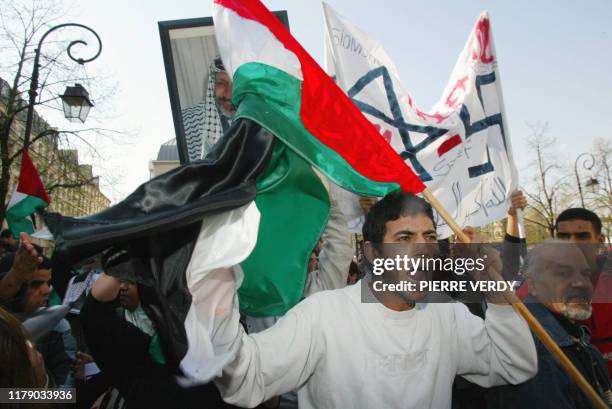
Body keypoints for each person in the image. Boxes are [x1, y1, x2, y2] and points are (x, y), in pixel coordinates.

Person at [211, 191, 537, 409]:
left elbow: (512, 364)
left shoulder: (446, 314)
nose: (421, 249)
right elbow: (246, 378)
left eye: (429, 237)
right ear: (372, 252)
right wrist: (214, 292)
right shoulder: (324, 314)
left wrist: (497, 294)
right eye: (404, 238)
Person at [485, 240, 612, 408]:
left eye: (586, 274)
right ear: (533, 286)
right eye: (563, 273)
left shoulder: (576, 337)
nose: (581, 283)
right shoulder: (534, 353)